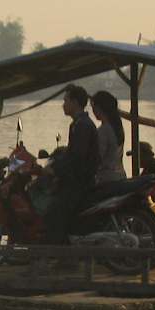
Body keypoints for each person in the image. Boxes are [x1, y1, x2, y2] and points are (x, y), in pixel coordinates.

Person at [42, 84, 97, 242]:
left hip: (80, 182)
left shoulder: (83, 126)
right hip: (75, 179)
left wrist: (55, 170)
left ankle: (60, 251)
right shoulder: (77, 124)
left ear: (75, 102)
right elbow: (70, 154)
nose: (63, 105)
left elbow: (77, 157)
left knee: (54, 213)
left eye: (66, 101)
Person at [89, 90, 127, 183]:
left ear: (98, 108)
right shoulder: (117, 127)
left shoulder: (104, 130)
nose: (93, 111)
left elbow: (98, 158)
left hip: (107, 178)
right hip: (121, 175)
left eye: (93, 107)